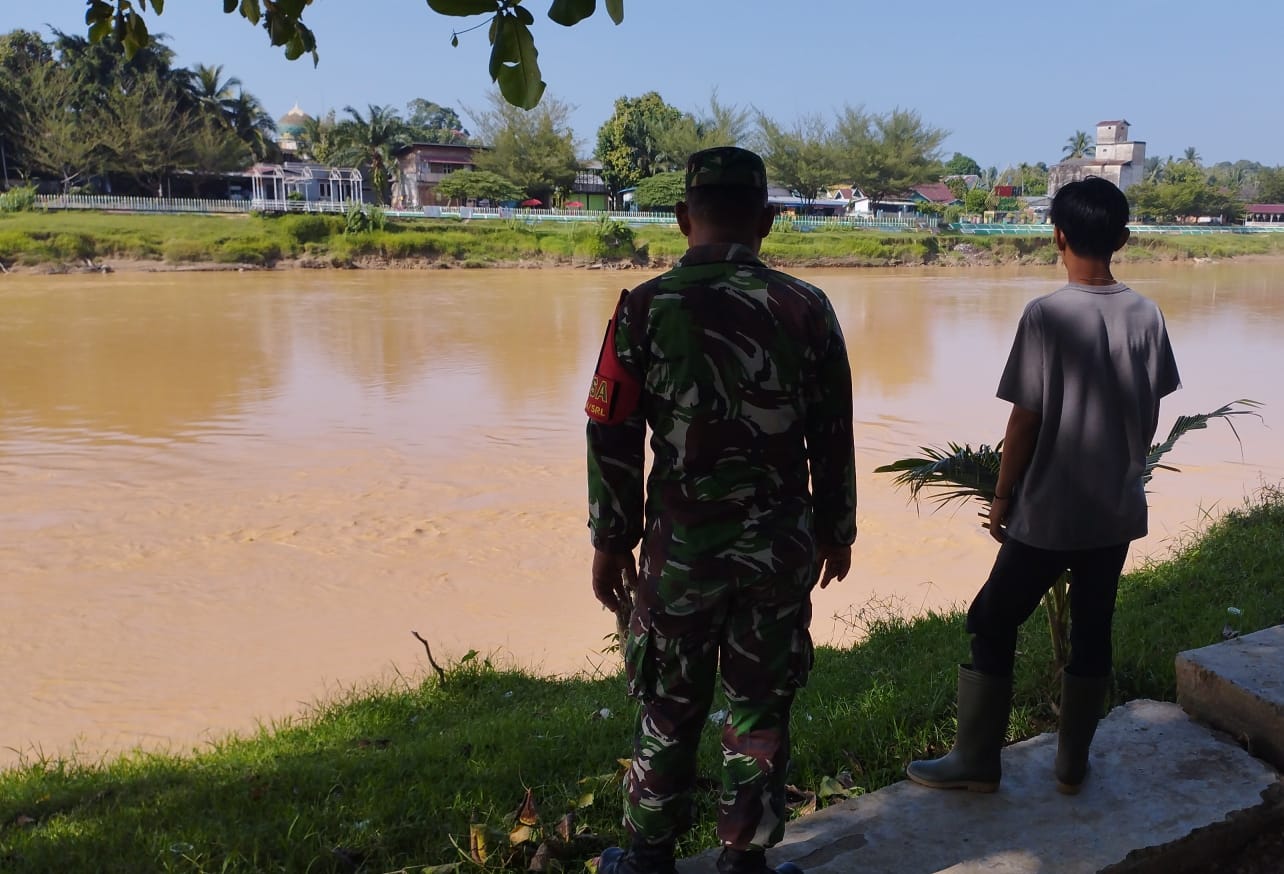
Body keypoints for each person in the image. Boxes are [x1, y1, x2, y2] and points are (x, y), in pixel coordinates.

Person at [585, 147, 858, 874]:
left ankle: (647, 859)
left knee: (667, 707)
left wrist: (611, 540)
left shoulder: (642, 308)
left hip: (679, 558)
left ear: (682, 219)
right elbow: (834, 432)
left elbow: (609, 427)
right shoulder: (807, 308)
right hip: (776, 555)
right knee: (759, 711)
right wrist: (837, 531)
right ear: (767, 221)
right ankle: (745, 862)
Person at [906, 176, 1181, 796]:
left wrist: (1002, 498)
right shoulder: (1147, 313)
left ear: (1056, 235)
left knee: (990, 618)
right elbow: (1150, 406)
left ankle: (976, 761)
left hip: (1051, 510)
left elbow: (1024, 419)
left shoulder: (1046, 315)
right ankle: (1071, 764)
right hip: (1115, 508)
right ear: (1124, 238)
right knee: (1093, 626)